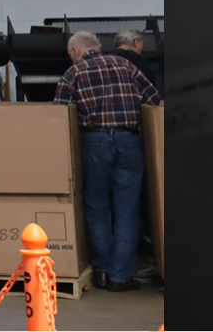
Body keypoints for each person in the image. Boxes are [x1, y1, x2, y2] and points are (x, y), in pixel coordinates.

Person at [54, 29, 162, 291]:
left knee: (97, 206)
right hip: (129, 142)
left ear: (76, 51)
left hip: (94, 143)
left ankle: (101, 270)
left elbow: (58, 116)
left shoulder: (74, 73)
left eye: (71, 55)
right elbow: (155, 100)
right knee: (127, 212)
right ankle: (120, 277)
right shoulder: (125, 65)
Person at [110, 27, 162, 93]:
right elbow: (151, 90)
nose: (142, 48)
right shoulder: (140, 62)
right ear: (135, 42)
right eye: (142, 44)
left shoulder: (105, 60)